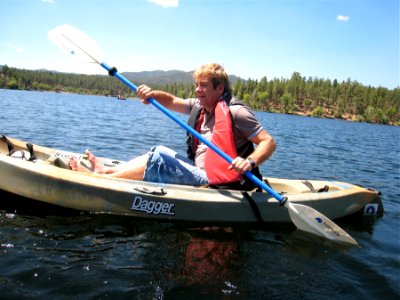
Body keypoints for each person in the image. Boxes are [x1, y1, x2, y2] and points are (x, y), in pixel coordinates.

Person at [69, 63, 276, 190]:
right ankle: (106, 172)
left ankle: (101, 178)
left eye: (203, 85)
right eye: (196, 85)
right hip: (198, 168)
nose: (197, 90)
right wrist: (152, 94)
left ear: (219, 88)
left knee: (159, 158)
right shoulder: (200, 106)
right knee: (157, 151)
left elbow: (268, 142)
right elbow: (171, 101)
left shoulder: (236, 112)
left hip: (220, 179)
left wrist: (249, 162)